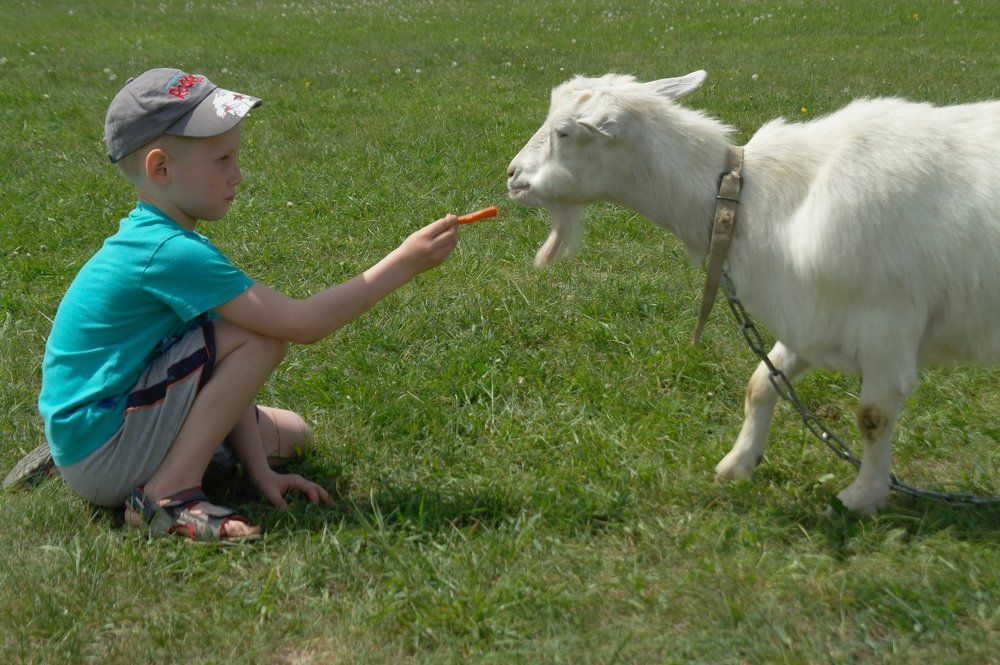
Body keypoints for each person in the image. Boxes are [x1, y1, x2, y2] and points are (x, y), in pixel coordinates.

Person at [28, 68, 460, 541]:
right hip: (100, 446)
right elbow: (302, 324)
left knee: (293, 435)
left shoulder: (157, 237)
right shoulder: (170, 253)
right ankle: (166, 494)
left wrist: (262, 473)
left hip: (96, 433)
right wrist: (404, 262)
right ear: (161, 169)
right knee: (259, 335)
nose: (238, 175)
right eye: (222, 160)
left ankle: (157, 456)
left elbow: (215, 356)